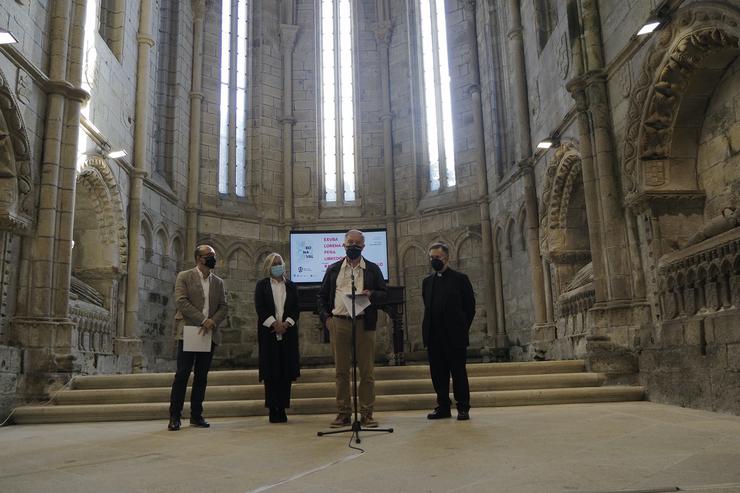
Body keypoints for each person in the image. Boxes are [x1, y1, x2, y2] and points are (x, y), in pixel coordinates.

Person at [318, 229, 387, 428]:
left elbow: (385, 294)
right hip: (339, 322)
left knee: (367, 371)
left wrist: (371, 293)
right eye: (350, 242)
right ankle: (343, 413)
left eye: (357, 243)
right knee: (341, 371)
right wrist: (327, 318)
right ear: (344, 244)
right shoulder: (333, 269)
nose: (353, 246)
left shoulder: (372, 269)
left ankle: (366, 413)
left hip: (364, 323)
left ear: (363, 247)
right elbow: (321, 297)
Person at [167, 244, 228, 431]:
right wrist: (203, 319)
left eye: (214, 255)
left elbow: (224, 306)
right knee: (182, 374)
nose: (212, 258)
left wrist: (212, 322)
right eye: (208, 255)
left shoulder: (218, 282)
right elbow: (181, 302)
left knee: (201, 376)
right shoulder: (184, 276)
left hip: (209, 333)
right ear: (198, 258)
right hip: (189, 331)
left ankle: (196, 415)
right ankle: (175, 417)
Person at [422, 243, 476, 421]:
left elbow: (470, 308)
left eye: (437, 257)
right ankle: (443, 406)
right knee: (438, 374)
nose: (434, 261)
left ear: (446, 258)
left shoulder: (460, 279)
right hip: (434, 336)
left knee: (458, 373)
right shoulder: (427, 282)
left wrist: (461, 327)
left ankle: (463, 407)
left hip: (454, 336)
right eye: (431, 258)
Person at [254, 253, 301, 423]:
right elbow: (260, 308)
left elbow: (296, 309)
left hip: (288, 333)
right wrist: (275, 324)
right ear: (268, 266)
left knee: (285, 372)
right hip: (269, 333)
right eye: (274, 263)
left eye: (279, 263)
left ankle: (282, 408)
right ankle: (272, 408)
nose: (277, 266)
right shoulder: (262, 286)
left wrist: (286, 324)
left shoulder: (291, 286)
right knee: (271, 372)